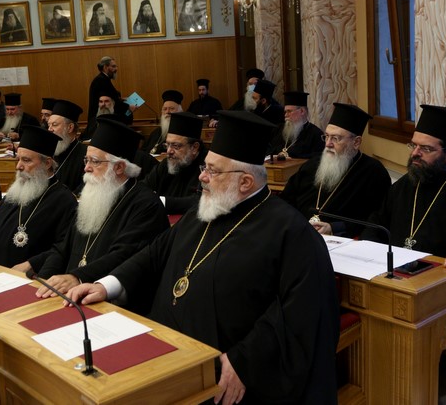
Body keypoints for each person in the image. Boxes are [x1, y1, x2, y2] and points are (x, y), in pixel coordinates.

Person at [67, 110, 339, 404]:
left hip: (223, 372)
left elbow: (298, 314)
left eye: (213, 170)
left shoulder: (292, 234)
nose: (202, 177)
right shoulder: (205, 210)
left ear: (246, 182)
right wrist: (106, 285)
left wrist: (243, 362)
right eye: (204, 167)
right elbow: (154, 254)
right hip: (165, 350)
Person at [363, 104, 446, 375]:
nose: (415, 153)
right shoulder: (402, 187)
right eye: (413, 145)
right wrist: (364, 247)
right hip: (396, 282)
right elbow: (376, 223)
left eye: (426, 149)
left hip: (442, 291)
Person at [14, 118, 169, 306]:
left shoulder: (146, 205)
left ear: (119, 167)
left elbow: (124, 256)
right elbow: (63, 248)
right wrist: (44, 281)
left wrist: (77, 277)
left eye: (95, 162)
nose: (86, 168)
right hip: (68, 294)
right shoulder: (92, 195)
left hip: (106, 300)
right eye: (86, 160)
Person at [0, 126, 77, 268]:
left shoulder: (64, 201)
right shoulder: (16, 192)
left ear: (47, 163)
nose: (18, 166)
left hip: (14, 273)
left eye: (26, 160)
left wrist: (31, 265)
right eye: (18, 159)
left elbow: (63, 248)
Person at [280, 102, 391, 238]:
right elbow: (286, 200)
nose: (328, 144)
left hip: (342, 242)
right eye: (326, 136)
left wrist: (334, 228)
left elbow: (375, 220)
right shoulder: (312, 165)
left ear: (356, 142)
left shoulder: (374, 173)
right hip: (299, 234)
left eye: (335, 138)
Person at [142, 112, 206, 214]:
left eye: (176, 146)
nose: (169, 151)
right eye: (167, 145)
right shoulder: (167, 163)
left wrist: (162, 202)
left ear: (194, 147)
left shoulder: (208, 167)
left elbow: (202, 200)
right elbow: (143, 187)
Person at [46, 99, 88, 192]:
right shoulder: (46, 151)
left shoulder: (86, 155)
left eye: (54, 125)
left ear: (70, 128)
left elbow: (83, 188)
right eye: (49, 125)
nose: (50, 129)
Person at [267, 91, 324, 159]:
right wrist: (273, 156)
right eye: (285, 112)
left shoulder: (316, 134)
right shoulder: (278, 129)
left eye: (289, 111)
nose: (286, 115)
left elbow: (317, 157)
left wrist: (293, 158)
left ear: (302, 111)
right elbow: (268, 149)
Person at [86, 56, 129, 137]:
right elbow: (111, 100)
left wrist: (121, 99)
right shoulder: (101, 80)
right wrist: (129, 109)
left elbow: (112, 97)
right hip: (99, 124)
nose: (116, 69)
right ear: (105, 67)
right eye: (113, 66)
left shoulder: (104, 79)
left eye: (116, 66)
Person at [140, 89, 183, 155]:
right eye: (165, 109)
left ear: (180, 112)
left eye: (171, 108)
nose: (167, 112)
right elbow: (143, 152)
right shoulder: (156, 132)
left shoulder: (184, 132)